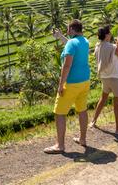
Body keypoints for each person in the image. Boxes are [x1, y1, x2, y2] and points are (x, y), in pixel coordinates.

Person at [44, 19, 90, 153]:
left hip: (71, 83)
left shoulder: (72, 43)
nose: (67, 31)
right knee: (82, 110)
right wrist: (60, 37)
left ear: (73, 29)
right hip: (84, 81)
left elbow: (67, 65)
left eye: (68, 29)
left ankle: (60, 145)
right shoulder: (85, 41)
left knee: (59, 113)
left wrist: (60, 85)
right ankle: (82, 139)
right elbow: (71, 45)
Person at [89, 25, 118, 134]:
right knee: (116, 103)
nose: (111, 34)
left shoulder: (98, 46)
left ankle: (93, 121)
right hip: (116, 77)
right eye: (109, 33)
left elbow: (111, 50)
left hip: (105, 77)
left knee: (103, 99)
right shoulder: (112, 47)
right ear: (106, 35)